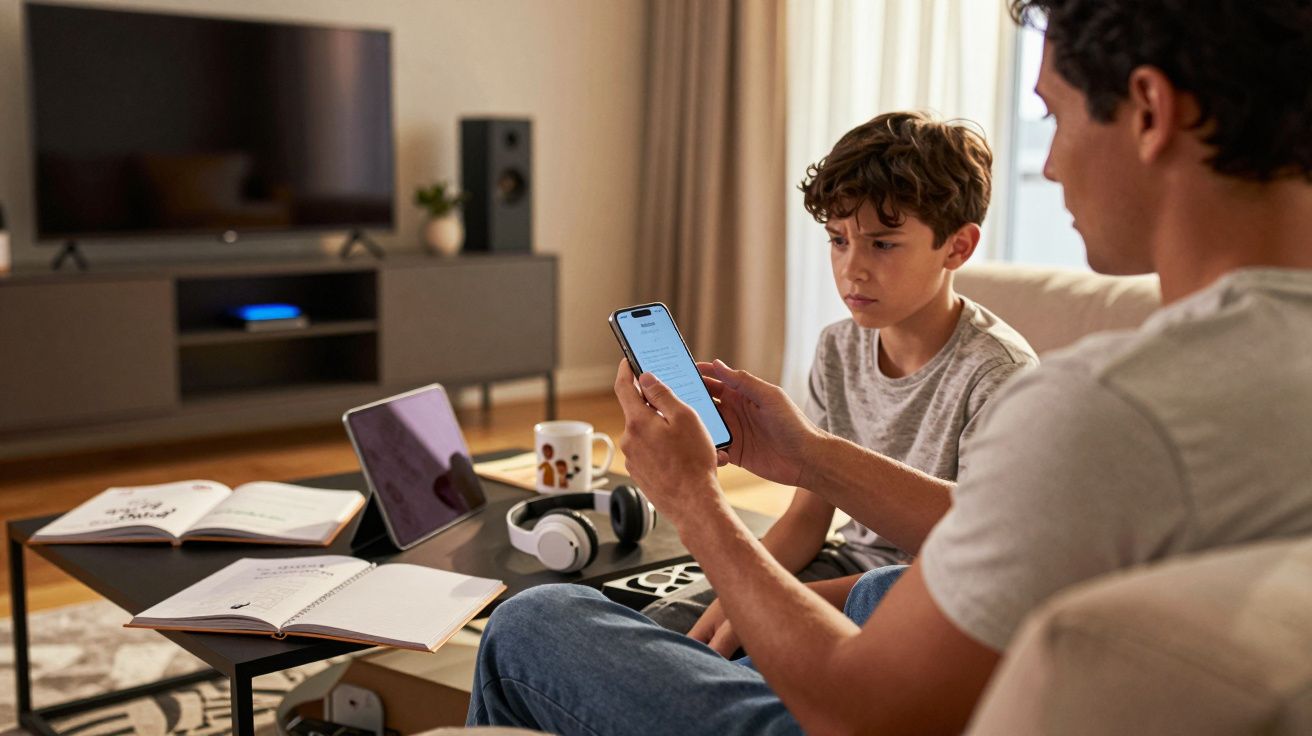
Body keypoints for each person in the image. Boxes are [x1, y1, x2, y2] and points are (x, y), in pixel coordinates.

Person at [468, 1, 1312, 733]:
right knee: (816, 602)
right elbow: (1002, 536)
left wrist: (691, 498)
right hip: (991, 663)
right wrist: (804, 455)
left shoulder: (1101, 407)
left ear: (1148, 109)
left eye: (1052, 117)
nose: (1049, 164)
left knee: (535, 624)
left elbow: (862, 714)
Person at [644, 111, 1038, 641]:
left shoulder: (998, 375)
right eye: (837, 239)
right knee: (663, 627)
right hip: (844, 565)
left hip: (927, 599)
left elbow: (978, 563)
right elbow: (809, 516)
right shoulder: (838, 346)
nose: (852, 268)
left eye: (882, 243)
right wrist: (735, 593)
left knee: (737, 647)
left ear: (958, 246)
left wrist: (772, 606)